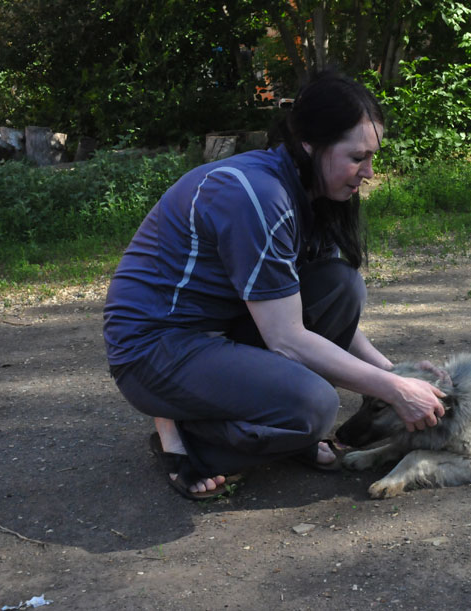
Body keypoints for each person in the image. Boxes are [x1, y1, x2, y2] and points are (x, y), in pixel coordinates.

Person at [103, 71, 446, 500]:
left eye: (372, 156)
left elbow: (306, 307)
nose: (369, 172)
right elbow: (287, 338)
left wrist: (394, 372)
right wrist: (395, 390)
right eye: (357, 157)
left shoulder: (308, 192)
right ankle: (182, 435)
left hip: (220, 331)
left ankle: (275, 429)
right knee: (315, 407)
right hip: (155, 350)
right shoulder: (257, 196)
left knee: (342, 286)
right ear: (309, 144)